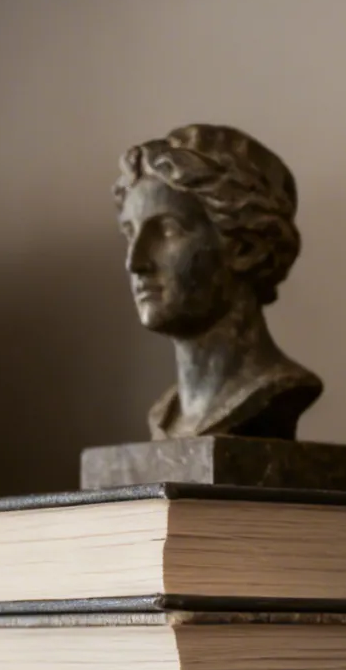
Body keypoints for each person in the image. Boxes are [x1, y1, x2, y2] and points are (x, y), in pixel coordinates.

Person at [114, 124, 324, 440]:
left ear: (245, 248)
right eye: (130, 234)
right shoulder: (165, 415)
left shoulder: (272, 390)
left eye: (168, 231)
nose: (135, 263)